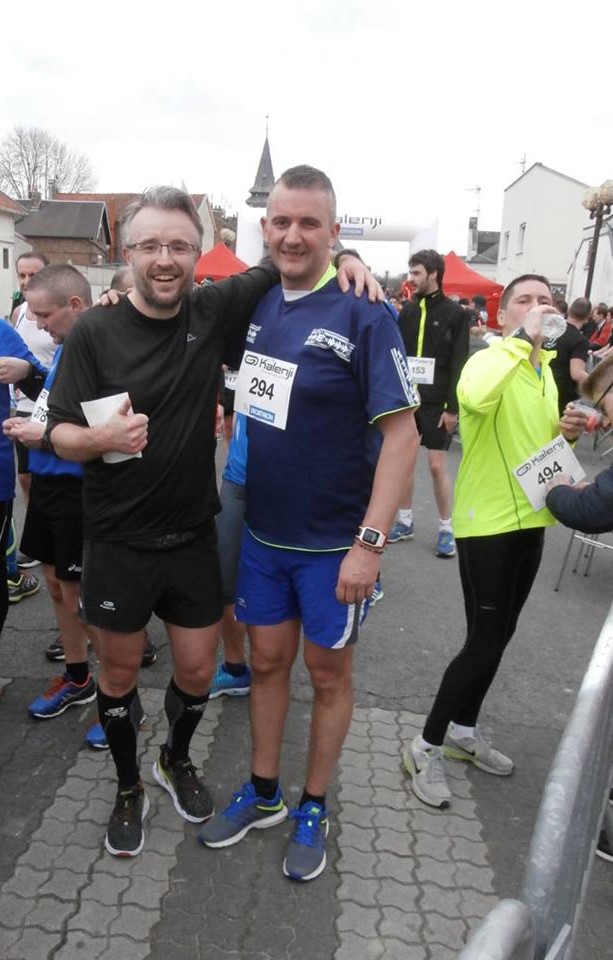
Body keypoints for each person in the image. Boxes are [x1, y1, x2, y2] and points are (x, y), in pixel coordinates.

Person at [45, 185, 376, 858]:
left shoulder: (213, 308)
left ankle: (174, 757)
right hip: (117, 539)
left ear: (199, 253)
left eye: (178, 246)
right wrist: (98, 439)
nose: (164, 259)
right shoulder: (93, 332)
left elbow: (291, 253)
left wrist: (349, 257)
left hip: (193, 533)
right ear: (128, 253)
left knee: (198, 672)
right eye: (149, 245)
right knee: (118, 675)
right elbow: (58, 434)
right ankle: (128, 786)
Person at [198, 165, 420, 882]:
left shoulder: (365, 312)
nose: (292, 235)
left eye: (309, 223)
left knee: (327, 675)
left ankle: (313, 804)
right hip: (264, 533)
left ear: (333, 231)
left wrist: (369, 545)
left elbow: (403, 437)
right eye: (281, 222)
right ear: (265, 228)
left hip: (333, 547)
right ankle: (264, 791)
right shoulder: (260, 300)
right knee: (266, 663)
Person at [403, 273, 587, 809]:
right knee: (483, 639)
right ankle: (425, 746)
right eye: (524, 300)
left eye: (546, 300)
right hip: (487, 524)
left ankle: (463, 730)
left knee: (500, 635)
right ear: (503, 316)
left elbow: (540, 446)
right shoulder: (489, 358)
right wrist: (521, 342)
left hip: (532, 520)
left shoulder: (543, 371)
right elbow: (476, 399)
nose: (538, 307)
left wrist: (566, 433)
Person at [388, 249, 469, 557]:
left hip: (438, 403)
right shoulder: (408, 310)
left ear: (433, 274)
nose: (411, 279)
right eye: (410, 272)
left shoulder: (456, 313)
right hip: (408, 401)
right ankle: (405, 521)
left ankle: (446, 528)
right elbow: (397, 354)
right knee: (405, 464)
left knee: (436, 466)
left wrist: (453, 407)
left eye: (416, 273)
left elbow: (459, 361)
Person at [9, 252, 56, 588]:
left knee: (48, 476)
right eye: (22, 275)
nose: (26, 282)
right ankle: (37, 535)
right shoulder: (18, 313)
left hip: (52, 403)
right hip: (24, 405)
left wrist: (31, 373)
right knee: (25, 477)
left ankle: (53, 538)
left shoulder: (60, 312)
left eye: (33, 275)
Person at [549, 297, 590, 415]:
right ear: (587, 318)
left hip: (543, 387)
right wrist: (596, 383)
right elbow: (577, 374)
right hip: (562, 395)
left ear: (569, 311)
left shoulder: (552, 330)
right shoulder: (580, 340)